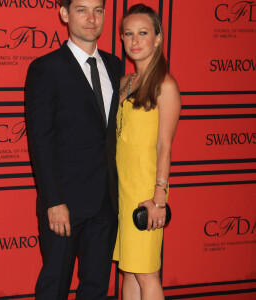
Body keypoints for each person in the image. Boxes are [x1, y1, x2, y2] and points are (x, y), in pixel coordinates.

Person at [25, 0, 121, 299]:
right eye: (82, 9)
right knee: (54, 287)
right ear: (65, 14)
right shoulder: (45, 68)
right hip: (64, 204)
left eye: (98, 10)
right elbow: (40, 140)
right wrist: (54, 201)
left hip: (106, 204)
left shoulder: (117, 66)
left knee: (95, 289)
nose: (91, 18)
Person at [113, 4, 181, 300]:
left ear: (158, 38)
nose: (135, 41)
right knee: (130, 270)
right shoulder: (125, 84)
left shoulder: (165, 85)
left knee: (146, 273)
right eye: (128, 34)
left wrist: (159, 197)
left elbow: (165, 145)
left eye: (143, 33)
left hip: (146, 191)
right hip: (123, 188)